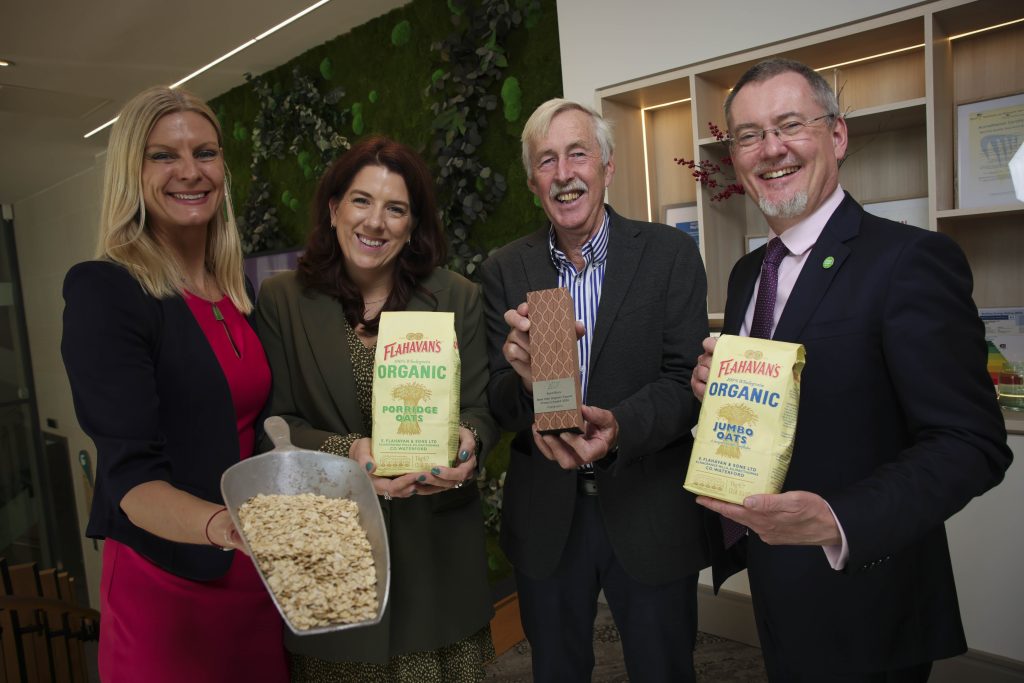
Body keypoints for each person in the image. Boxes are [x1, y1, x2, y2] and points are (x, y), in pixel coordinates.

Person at [690, 58, 1013, 682]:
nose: (771, 149)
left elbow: (971, 443)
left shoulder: (911, 261)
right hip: (778, 588)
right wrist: (717, 391)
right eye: (750, 135)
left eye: (790, 125)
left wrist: (838, 521)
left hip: (868, 597)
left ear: (836, 136)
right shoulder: (746, 275)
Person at [60, 86, 288, 682]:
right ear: (132, 172)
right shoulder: (105, 290)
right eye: (164, 155)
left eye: (205, 153)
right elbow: (129, 476)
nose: (190, 171)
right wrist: (226, 527)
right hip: (168, 580)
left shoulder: (233, 290)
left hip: (250, 570)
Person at [481, 98, 710, 682]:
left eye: (577, 153)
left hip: (650, 508)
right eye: (547, 161)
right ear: (534, 183)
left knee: (664, 670)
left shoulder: (670, 255)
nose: (564, 173)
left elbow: (686, 385)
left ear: (607, 166)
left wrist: (619, 428)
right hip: (547, 517)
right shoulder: (505, 268)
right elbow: (496, 401)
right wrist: (525, 383)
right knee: (556, 671)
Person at [255, 135, 498, 681]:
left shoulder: (456, 296)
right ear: (334, 207)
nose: (376, 222)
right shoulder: (283, 299)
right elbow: (274, 429)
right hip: (334, 568)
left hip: (436, 561)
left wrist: (468, 442)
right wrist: (351, 453)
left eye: (396, 209)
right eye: (362, 201)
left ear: (413, 226)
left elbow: (480, 411)